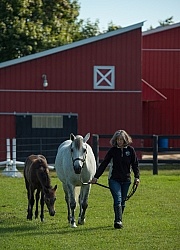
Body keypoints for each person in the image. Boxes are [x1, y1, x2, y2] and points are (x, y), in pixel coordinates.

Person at [91, 130, 140, 229]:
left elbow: (135, 165)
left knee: (123, 201)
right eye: (118, 139)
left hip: (126, 180)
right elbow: (104, 164)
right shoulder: (112, 151)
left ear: (125, 139)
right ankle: (118, 221)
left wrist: (137, 177)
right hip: (114, 180)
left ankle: (119, 219)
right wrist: (96, 177)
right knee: (118, 199)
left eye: (121, 139)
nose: (119, 141)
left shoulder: (130, 151)